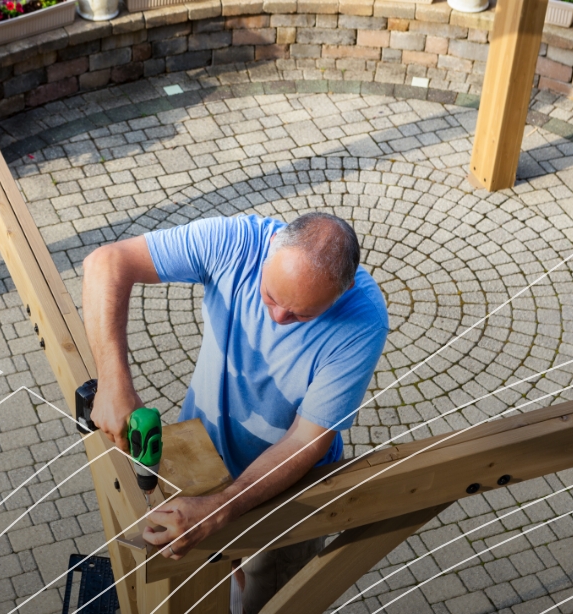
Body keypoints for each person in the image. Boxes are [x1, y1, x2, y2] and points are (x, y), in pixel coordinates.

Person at [81, 212, 389, 613]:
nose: (279, 318)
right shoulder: (235, 242)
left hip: (288, 490)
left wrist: (220, 509)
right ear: (269, 254)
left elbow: (305, 441)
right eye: (271, 297)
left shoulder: (363, 321)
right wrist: (113, 382)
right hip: (201, 461)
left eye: (302, 314)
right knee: (213, 578)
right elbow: (105, 262)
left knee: (272, 599)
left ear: (343, 290)